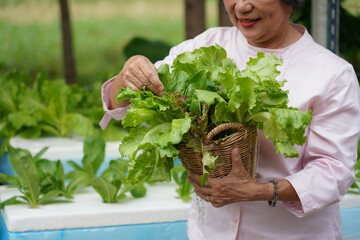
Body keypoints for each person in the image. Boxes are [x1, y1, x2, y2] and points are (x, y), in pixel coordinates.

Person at [99, 0, 360, 239]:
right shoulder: (208, 46)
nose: (242, 6)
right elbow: (121, 106)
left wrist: (259, 191)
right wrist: (131, 69)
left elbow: (334, 170)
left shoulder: (332, 74)